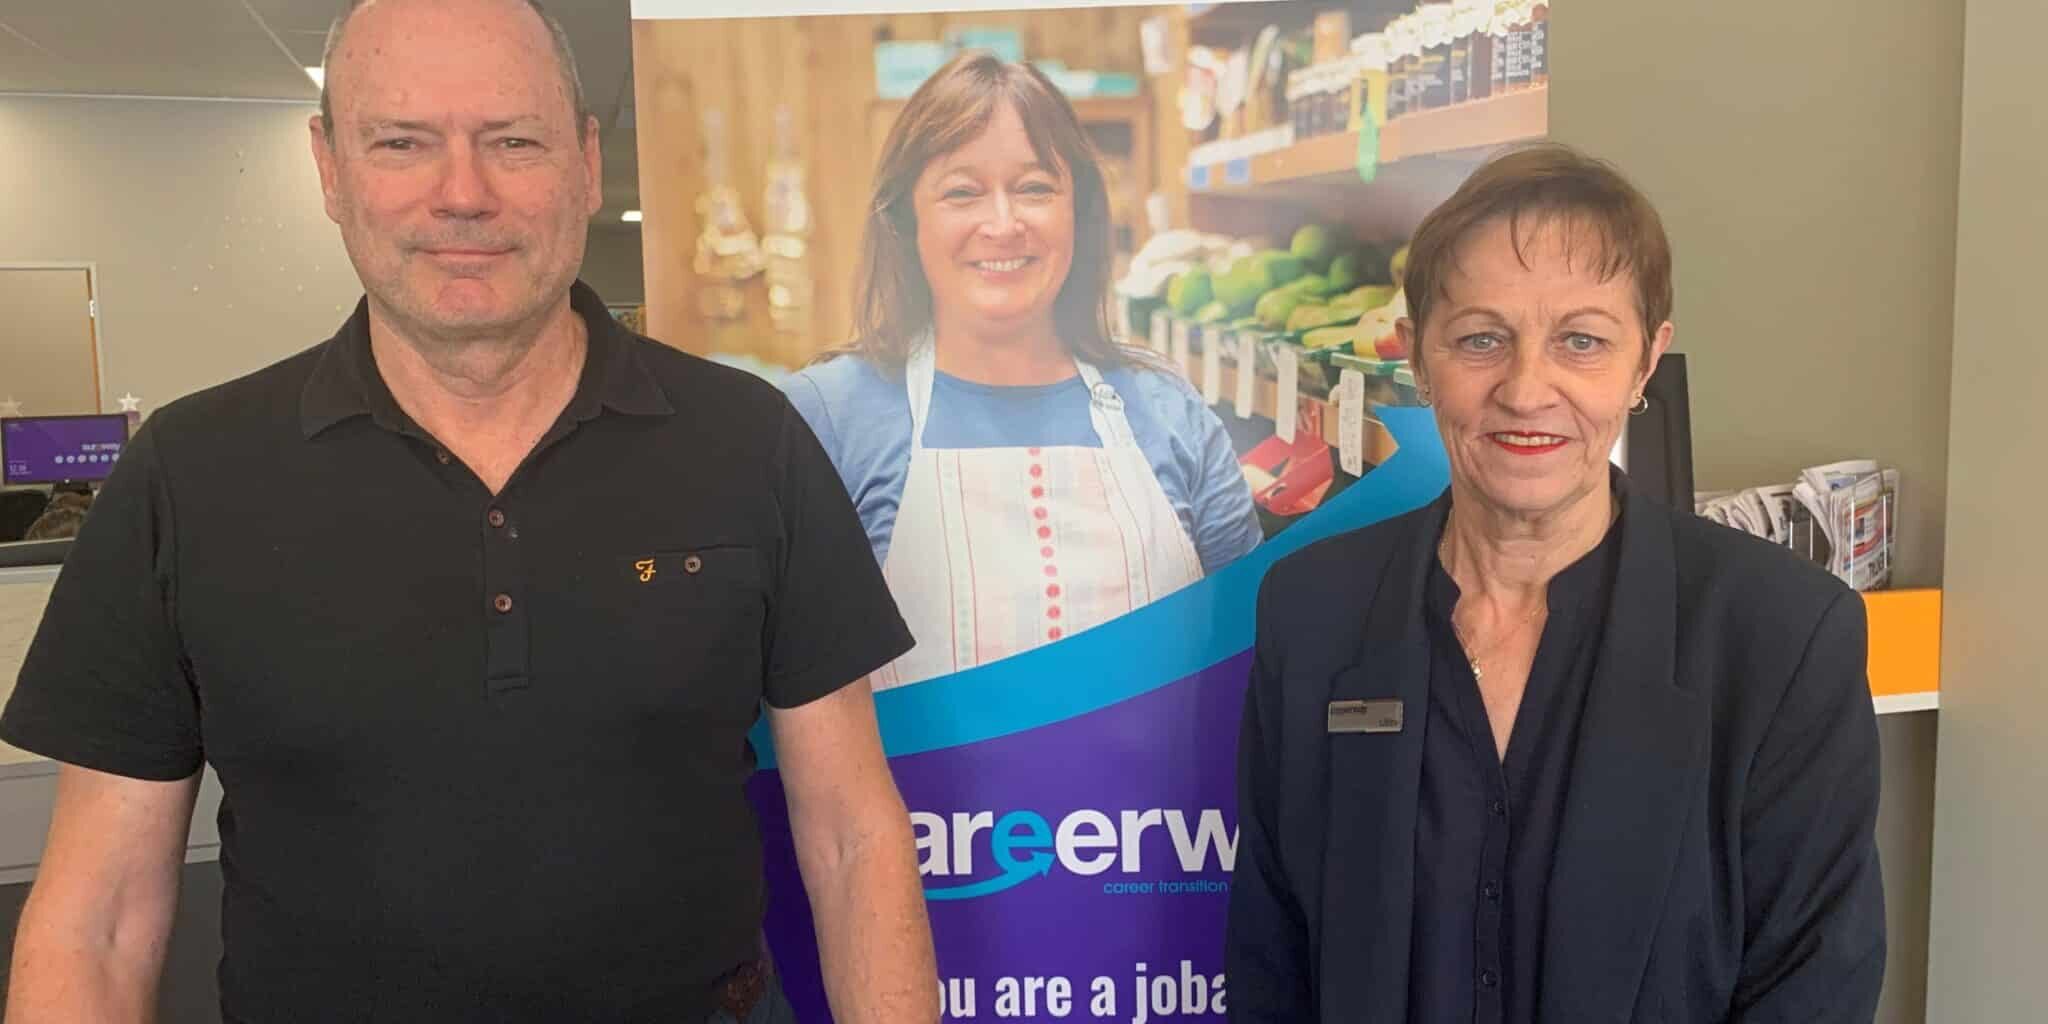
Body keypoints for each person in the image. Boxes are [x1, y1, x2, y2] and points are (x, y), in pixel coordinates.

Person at [0, 1, 936, 1021]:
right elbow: (97, 917)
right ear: (330, 167)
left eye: (512, 140)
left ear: (584, 161)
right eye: (402, 141)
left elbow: (853, 835)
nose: (462, 194)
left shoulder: (752, 441)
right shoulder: (184, 476)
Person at [1226, 144, 1885, 1022]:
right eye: (1480, 339)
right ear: (1418, 356)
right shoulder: (1313, 612)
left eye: (1581, 340)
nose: (1527, 388)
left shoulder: (1780, 637)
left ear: (1645, 363)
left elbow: (1815, 986)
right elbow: (1272, 961)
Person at [785, 53, 1262, 690]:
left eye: (1035, 188)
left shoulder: (1167, 408)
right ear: (905, 220)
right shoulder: (826, 417)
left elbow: (1254, 647)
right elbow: (777, 681)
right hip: (906, 795)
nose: (1003, 224)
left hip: (1163, 793)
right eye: (962, 192)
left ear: (1078, 212)